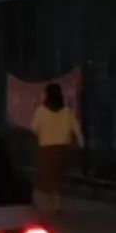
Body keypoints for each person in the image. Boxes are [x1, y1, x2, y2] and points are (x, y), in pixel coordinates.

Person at [31, 82, 83, 213]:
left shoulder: (41, 111)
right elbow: (76, 128)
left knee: (47, 176)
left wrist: (42, 134)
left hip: (46, 148)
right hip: (62, 148)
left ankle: (50, 202)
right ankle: (57, 202)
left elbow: (34, 129)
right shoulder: (67, 112)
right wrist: (81, 143)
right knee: (58, 176)